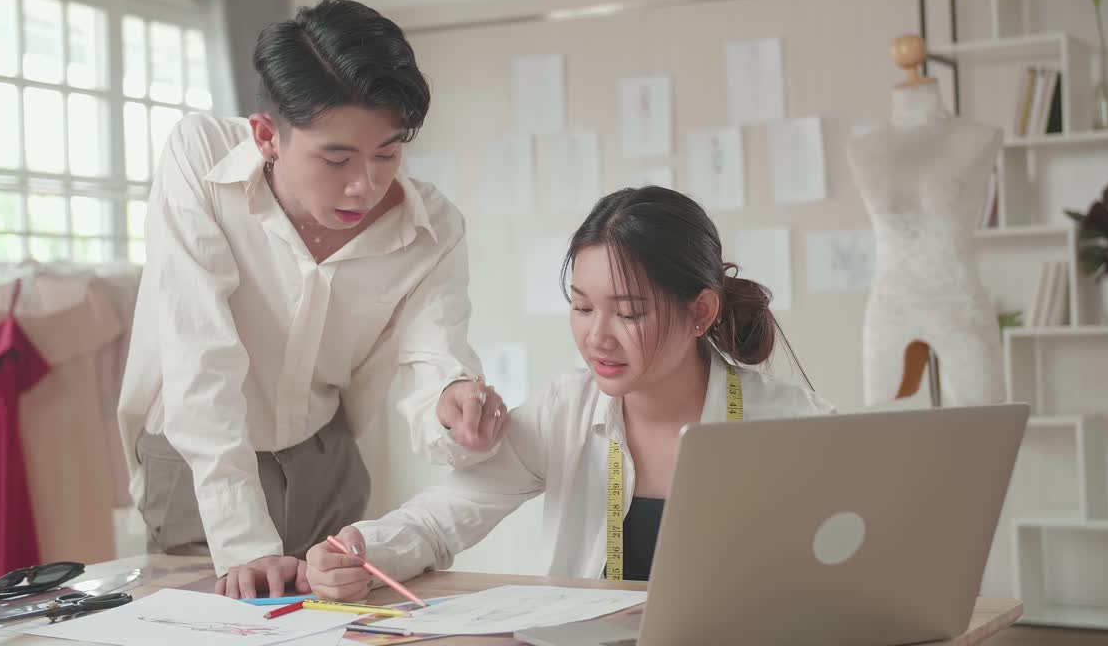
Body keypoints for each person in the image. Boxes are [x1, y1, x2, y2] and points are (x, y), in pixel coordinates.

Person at [116, 0, 509, 599]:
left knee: (344, 630)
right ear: (267, 135)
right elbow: (200, 352)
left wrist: (455, 404)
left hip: (325, 459)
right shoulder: (199, 159)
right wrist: (243, 540)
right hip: (201, 461)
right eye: (336, 157)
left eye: (388, 152)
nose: (366, 184)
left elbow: (436, 359)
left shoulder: (433, 227)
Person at [304, 186, 833, 600]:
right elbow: (439, 522)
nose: (597, 336)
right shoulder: (568, 411)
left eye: (628, 312)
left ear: (700, 312)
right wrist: (359, 551)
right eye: (582, 307)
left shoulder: (792, 426)